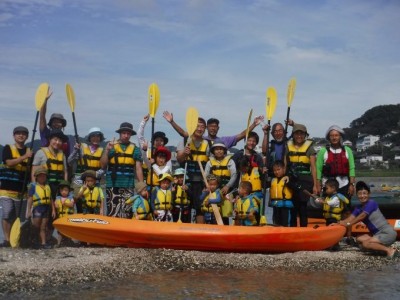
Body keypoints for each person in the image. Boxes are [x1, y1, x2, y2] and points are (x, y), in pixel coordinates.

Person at [337, 181, 398, 259]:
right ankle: (378, 249)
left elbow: (362, 216)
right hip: (377, 235)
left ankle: (389, 250)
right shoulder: (358, 208)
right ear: (357, 195)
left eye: (364, 193)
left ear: (369, 194)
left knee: (365, 244)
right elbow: (349, 219)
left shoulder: (372, 203)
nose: (362, 196)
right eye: (360, 194)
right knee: (359, 238)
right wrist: (338, 223)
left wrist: (349, 224)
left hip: (387, 233)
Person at [100, 122, 143, 218]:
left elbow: (138, 168)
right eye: (124, 133)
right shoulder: (111, 146)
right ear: (120, 133)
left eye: (128, 133)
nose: (126, 135)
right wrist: (107, 150)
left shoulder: (135, 149)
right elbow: (103, 165)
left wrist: (141, 186)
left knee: (127, 214)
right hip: (112, 185)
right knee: (112, 213)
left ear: (131, 135)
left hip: (128, 186)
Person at [316, 125, 356, 229]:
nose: (334, 137)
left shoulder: (347, 150)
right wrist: (318, 184)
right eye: (332, 135)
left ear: (340, 136)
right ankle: (331, 235)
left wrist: (352, 184)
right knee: (329, 210)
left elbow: (352, 168)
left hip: (344, 184)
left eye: (336, 135)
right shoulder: (323, 151)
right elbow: (318, 169)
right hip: (328, 185)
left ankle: (348, 236)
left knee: (346, 210)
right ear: (329, 137)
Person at [0, 126, 32, 247]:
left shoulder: (29, 151)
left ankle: (16, 239)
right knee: (7, 213)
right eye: (18, 133)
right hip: (6, 189)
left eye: (24, 134)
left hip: (21, 190)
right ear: (14, 136)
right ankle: (7, 240)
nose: (21, 135)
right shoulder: (8, 148)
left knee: (19, 217)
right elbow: (9, 162)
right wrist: (24, 157)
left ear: (27, 137)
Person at [162, 111, 264, 148]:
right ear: (207, 128)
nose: (213, 128)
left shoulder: (224, 141)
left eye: (215, 126)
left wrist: (254, 124)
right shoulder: (200, 138)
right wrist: (172, 122)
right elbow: (183, 133)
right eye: (210, 126)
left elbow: (242, 135)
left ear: (218, 128)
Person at [176, 117, 210, 223]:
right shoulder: (186, 140)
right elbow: (179, 159)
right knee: (186, 207)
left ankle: (200, 232)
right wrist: (185, 153)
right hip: (187, 180)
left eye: (202, 127)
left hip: (201, 182)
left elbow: (210, 164)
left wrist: (207, 184)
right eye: (197, 126)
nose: (200, 129)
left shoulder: (208, 144)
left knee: (200, 208)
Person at [286, 123, 317, 227]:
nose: (299, 136)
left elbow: (313, 167)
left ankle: (304, 230)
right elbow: (284, 164)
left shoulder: (310, 148)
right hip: (292, 180)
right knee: (293, 207)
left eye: (302, 134)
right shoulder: (288, 146)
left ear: (305, 135)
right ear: (293, 135)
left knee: (303, 208)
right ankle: (293, 230)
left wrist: (315, 185)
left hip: (305, 180)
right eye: (297, 133)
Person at [68, 127, 106, 212]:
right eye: (93, 136)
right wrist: (75, 150)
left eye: (98, 136)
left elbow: (104, 168)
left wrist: (94, 175)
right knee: (79, 203)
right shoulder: (81, 149)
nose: (95, 138)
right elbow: (69, 161)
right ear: (89, 138)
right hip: (79, 180)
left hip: (94, 181)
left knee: (94, 204)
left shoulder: (102, 151)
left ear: (100, 138)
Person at [205, 140, 237, 224]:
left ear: (224, 151)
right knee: (213, 213)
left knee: (225, 215)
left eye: (221, 149)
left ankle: (225, 231)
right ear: (213, 151)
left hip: (226, 191)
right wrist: (209, 187)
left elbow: (234, 175)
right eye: (216, 149)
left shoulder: (230, 161)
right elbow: (205, 176)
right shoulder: (209, 163)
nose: (219, 151)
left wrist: (227, 186)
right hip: (214, 191)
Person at [31, 129, 69, 199]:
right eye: (55, 139)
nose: (57, 142)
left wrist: (65, 186)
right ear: (49, 139)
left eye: (60, 141)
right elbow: (34, 171)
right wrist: (35, 186)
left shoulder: (62, 154)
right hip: (45, 186)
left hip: (59, 187)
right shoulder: (40, 152)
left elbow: (65, 172)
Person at [26, 167, 55, 249]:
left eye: (44, 176)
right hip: (38, 208)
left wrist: (53, 210)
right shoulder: (33, 186)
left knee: (43, 226)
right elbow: (30, 199)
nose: (42, 177)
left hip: (46, 208)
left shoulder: (48, 186)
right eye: (40, 176)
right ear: (36, 177)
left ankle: (43, 243)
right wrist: (28, 210)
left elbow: (51, 199)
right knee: (36, 226)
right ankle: (34, 241)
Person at [137, 114, 171, 184]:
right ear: (153, 142)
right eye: (157, 140)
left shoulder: (167, 156)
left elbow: (163, 173)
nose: (159, 142)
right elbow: (140, 137)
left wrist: (153, 164)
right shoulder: (148, 153)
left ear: (164, 143)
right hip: (149, 187)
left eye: (161, 141)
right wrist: (143, 122)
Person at [232, 131, 265, 200]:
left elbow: (261, 174)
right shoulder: (238, 155)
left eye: (254, 141)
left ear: (256, 143)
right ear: (245, 141)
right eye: (249, 140)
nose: (251, 143)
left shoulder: (258, 157)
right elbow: (234, 173)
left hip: (254, 191)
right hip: (240, 189)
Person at [39, 88, 72, 155]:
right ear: (50, 124)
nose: (56, 124)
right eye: (54, 122)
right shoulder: (45, 133)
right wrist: (45, 101)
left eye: (59, 122)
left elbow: (67, 157)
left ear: (62, 125)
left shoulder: (65, 140)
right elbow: (42, 116)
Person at [270, 160, 293, 227]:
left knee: (285, 224)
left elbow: (294, 182)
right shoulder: (273, 180)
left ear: (283, 169)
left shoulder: (287, 179)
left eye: (278, 169)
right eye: (275, 170)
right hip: (276, 205)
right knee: (276, 223)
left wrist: (288, 177)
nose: (276, 172)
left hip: (285, 205)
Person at [54, 180, 75, 246]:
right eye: (62, 190)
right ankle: (58, 243)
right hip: (61, 217)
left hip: (68, 217)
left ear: (69, 191)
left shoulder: (70, 198)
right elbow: (56, 205)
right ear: (60, 191)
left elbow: (71, 205)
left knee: (69, 230)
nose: (64, 192)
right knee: (60, 231)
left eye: (66, 190)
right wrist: (56, 205)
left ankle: (69, 242)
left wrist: (65, 203)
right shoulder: (57, 198)